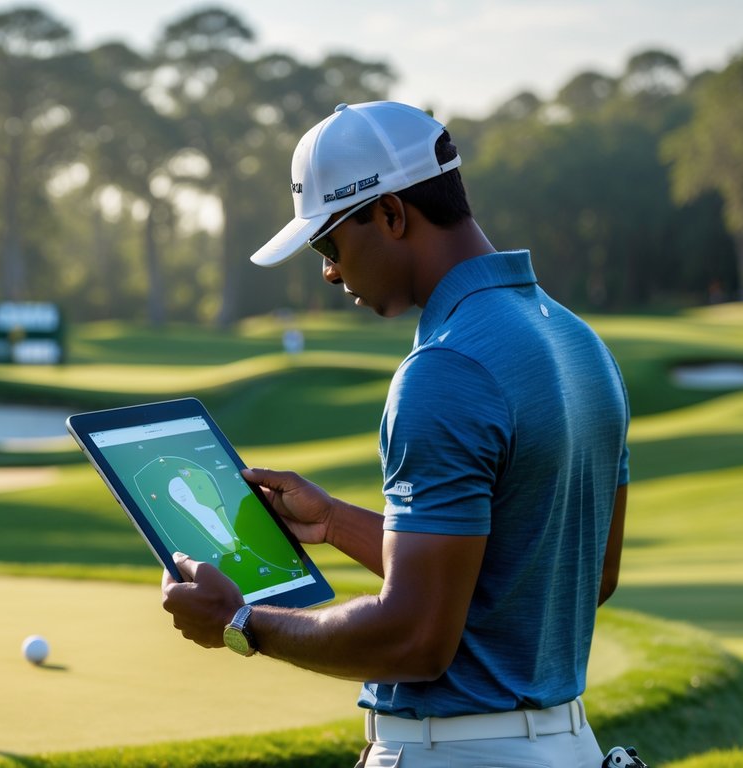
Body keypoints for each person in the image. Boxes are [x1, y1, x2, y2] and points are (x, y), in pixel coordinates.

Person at [159, 101, 630, 767]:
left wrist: (238, 623)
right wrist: (336, 524)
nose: (327, 271)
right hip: (567, 745)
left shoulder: (443, 367)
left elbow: (413, 639)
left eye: (328, 243)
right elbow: (583, 576)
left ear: (390, 214)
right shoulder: (577, 340)